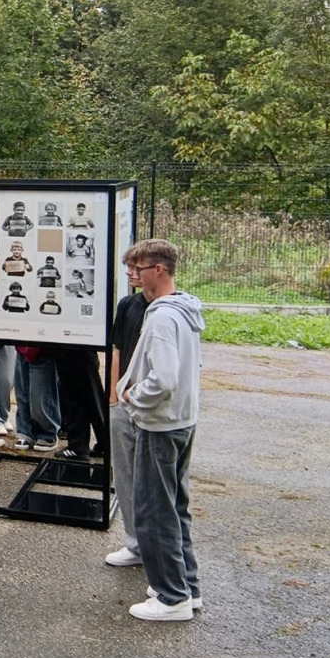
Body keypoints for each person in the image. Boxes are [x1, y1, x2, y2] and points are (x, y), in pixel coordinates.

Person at [117, 239, 205, 622]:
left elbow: (164, 378)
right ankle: (187, 587)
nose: (132, 275)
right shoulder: (183, 310)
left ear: (160, 270)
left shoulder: (162, 318)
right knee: (175, 507)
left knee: (154, 511)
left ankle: (172, 597)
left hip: (160, 423)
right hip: (181, 420)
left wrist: (133, 394)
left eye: (138, 268)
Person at [104, 254, 152, 569]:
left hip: (151, 406)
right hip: (123, 403)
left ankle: (155, 548)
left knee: (153, 480)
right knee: (124, 476)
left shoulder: (168, 312)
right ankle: (134, 543)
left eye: (136, 268)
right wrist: (113, 396)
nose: (130, 273)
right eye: (129, 268)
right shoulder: (127, 305)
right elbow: (117, 351)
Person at [12, 344, 60, 452]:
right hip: (22, 347)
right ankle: (25, 432)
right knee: (22, 394)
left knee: (42, 395)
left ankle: (48, 434)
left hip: (43, 349)